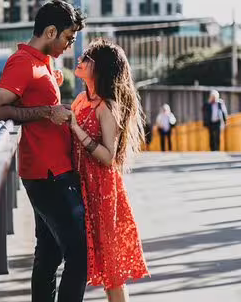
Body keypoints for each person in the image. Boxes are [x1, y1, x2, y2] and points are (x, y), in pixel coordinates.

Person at [0, 0, 87, 302]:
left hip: (53, 169)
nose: (69, 45)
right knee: (80, 255)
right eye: (67, 38)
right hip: (47, 173)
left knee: (50, 254)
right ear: (50, 31)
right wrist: (45, 111)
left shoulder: (43, 62)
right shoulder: (22, 63)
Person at [69, 39, 149, 302]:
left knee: (111, 270)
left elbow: (107, 156)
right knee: (94, 261)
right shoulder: (81, 99)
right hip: (82, 187)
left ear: (101, 68)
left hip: (103, 191)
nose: (82, 58)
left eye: (90, 57)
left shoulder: (107, 107)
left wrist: (77, 130)